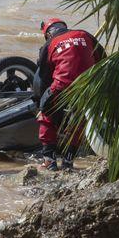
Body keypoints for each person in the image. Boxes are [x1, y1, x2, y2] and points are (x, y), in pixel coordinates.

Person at [33, 18, 105, 170]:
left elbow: (43, 78)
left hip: (61, 86)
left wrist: (41, 102)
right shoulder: (85, 34)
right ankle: (68, 161)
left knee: (46, 116)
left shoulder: (49, 44)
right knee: (78, 119)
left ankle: (49, 161)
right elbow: (103, 59)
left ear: (47, 34)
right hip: (87, 87)